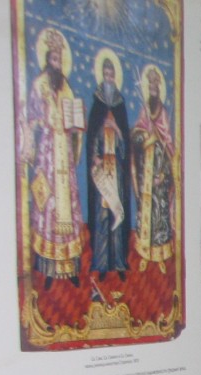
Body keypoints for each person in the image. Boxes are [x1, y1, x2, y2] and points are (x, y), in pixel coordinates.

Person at [21, 28, 85, 289]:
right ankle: (48, 267)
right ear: (47, 60)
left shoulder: (66, 87)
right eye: (54, 59)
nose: (57, 64)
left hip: (64, 152)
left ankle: (69, 267)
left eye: (60, 60)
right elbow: (31, 118)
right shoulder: (39, 85)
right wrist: (34, 135)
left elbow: (74, 123)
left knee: (67, 205)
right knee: (49, 205)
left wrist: (76, 126)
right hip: (48, 151)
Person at [86, 52, 131, 282]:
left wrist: (117, 129)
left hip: (117, 173)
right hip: (103, 174)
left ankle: (119, 263)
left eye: (111, 74)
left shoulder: (121, 104)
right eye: (105, 74)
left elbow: (125, 148)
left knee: (117, 215)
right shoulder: (97, 103)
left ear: (115, 77)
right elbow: (92, 139)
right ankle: (103, 263)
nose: (108, 78)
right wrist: (94, 157)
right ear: (101, 75)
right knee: (103, 217)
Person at [131, 65, 175, 274]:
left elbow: (169, 147)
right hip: (145, 173)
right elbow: (136, 135)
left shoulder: (163, 113)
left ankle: (159, 257)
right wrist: (145, 137)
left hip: (159, 175)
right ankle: (145, 255)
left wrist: (164, 174)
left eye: (156, 85)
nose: (153, 88)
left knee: (160, 217)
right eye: (151, 85)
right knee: (146, 215)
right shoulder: (144, 110)